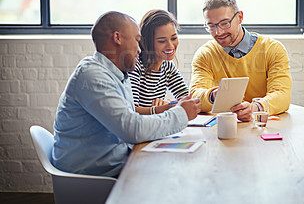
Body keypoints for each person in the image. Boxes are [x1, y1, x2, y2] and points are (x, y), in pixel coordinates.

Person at [52, 11, 201, 178]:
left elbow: (132, 122)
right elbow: (133, 129)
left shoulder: (120, 74)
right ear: (118, 38)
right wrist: (180, 113)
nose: (139, 49)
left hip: (117, 160)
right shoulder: (92, 75)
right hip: (91, 174)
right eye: (137, 41)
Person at [190, 0, 292, 122]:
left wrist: (255, 108)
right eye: (211, 26)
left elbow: (283, 95)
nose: (218, 32)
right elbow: (195, 96)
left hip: (263, 127)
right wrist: (214, 95)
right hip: (224, 127)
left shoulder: (272, 49)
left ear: (240, 17)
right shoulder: (205, 54)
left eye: (224, 23)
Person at [128, 9, 189, 115]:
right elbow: (131, 111)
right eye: (162, 41)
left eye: (174, 38)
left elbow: (187, 98)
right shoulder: (136, 67)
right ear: (147, 42)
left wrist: (169, 103)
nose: (170, 46)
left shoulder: (167, 66)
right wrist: (160, 109)